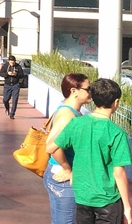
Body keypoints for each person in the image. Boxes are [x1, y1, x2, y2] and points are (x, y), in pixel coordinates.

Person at [47, 78, 132, 224]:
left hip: (82, 197)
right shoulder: (117, 133)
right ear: (116, 102)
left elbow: (51, 147)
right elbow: (119, 173)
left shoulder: (76, 123)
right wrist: (127, 208)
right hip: (107, 200)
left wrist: (68, 169)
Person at [44, 73, 92, 224]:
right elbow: (51, 146)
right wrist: (67, 169)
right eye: (88, 89)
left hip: (59, 175)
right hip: (62, 178)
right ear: (74, 91)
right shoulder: (68, 115)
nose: (91, 92)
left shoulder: (71, 111)